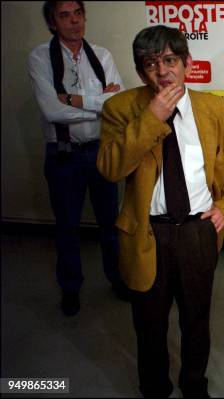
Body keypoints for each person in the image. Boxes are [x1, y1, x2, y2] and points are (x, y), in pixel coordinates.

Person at [97, 25, 224, 398]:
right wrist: (152, 117)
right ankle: (154, 388)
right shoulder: (120, 108)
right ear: (139, 71)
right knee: (148, 325)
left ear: (186, 63)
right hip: (146, 234)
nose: (162, 71)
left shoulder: (217, 109)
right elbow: (110, 168)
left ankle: (195, 385)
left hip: (198, 230)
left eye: (170, 60)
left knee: (197, 320)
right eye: (151, 64)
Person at [27, 0, 124, 317]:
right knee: (67, 227)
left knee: (111, 223)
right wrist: (100, 100)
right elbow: (51, 111)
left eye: (78, 14)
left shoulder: (102, 55)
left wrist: (71, 98)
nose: (74, 21)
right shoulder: (41, 57)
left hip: (101, 150)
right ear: (53, 23)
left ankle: (117, 279)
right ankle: (71, 289)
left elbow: (117, 105)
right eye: (64, 16)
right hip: (64, 155)